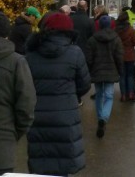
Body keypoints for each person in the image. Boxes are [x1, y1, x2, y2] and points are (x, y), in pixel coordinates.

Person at [25, 12, 91, 176]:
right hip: (66, 115)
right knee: (62, 163)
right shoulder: (75, 53)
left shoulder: (31, 54)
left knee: (41, 162)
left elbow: (24, 86)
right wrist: (71, 95)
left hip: (37, 115)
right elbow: (85, 84)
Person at [0, 11, 36, 177]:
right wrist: (13, 133)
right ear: (7, 33)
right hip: (0, 147)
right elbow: (26, 106)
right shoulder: (17, 62)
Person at [86, 15, 124, 138]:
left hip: (97, 71)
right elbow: (119, 57)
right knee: (109, 96)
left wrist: (89, 71)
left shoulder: (92, 39)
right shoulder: (116, 39)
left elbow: (89, 59)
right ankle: (104, 118)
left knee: (99, 95)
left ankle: (100, 117)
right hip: (111, 71)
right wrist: (120, 71)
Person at [115, 11, 135, 102]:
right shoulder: (130, 29)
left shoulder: (116, 30)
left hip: (119, 55)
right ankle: (130, 94)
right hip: (130, 55)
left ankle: (123, 96)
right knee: (130, 75)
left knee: (122, 76)